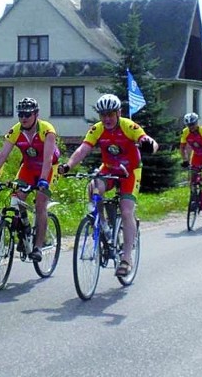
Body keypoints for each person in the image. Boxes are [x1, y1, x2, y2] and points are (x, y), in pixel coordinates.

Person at [57, 93, 158, 278]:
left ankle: (126, 259)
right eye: (103, 115)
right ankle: (102, 224)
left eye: (110, 114)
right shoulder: (97, 129)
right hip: (109, 169)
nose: (107, 119)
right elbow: (83, 149)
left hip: (130, 172)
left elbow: (148, 140)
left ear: (119, 113)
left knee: (126, 211)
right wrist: (68, 165)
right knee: (93, 187)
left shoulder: (128, 126)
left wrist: (148, 145)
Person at [0, 97, 59, 262]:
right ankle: (24, 229)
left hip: (48, 169)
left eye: (28, 114)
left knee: (40, 203)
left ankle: (38, 247)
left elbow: (48, 159)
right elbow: (2, 155)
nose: (24, 118)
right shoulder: (15, 131)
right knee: (16, 199)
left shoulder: (47, 130)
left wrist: (43, 180)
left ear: (36, 114)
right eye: (21, 114)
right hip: (28, 168)